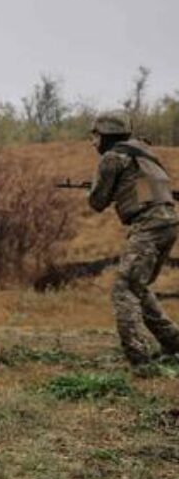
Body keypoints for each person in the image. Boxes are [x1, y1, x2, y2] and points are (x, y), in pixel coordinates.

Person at [88, 111, 179, 365]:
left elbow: (97, 202)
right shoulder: (143, 152)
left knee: (124, 289)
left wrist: (99, 184)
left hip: (149, 226)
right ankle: (173, 341)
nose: (92, 143)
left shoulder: (112, 157)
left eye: (94, 136)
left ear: (105, 134)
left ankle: (139, 359)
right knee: (138, 286)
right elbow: (144, 188)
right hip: (168, 222)